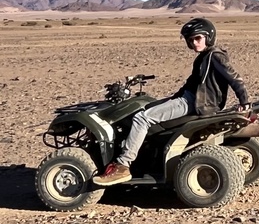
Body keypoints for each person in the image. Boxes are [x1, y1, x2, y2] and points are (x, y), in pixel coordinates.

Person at [93, 17, 250, 186]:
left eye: (198, 38)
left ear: (208, 36)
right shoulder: (204, 57)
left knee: (142, 118)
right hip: (195, 99)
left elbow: (234, 78)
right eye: (191, 40)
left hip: (194, 102)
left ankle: (123, 165)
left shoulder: (214, 56)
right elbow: (190, 84)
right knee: (149, 108)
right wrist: (170, 99)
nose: (195, 43)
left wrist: (245, 100)